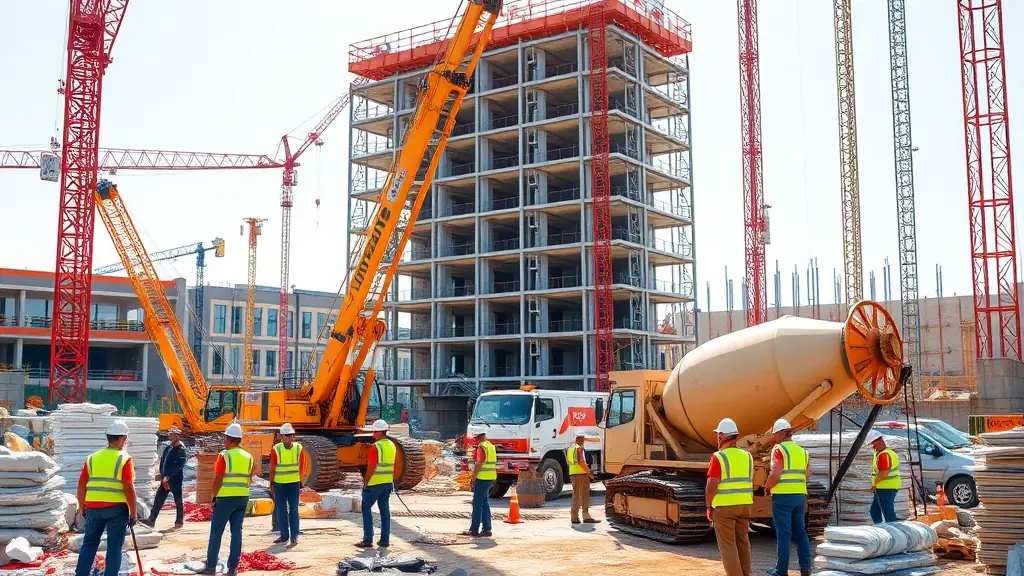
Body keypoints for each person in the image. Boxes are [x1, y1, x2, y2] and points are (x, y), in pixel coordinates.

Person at [75, 420, 137, 576]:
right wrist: (133, 513)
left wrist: (82, 506)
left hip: (93, 509)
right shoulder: (124, 458)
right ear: (122, 438)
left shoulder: (92, 458)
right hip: (117, 509)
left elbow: (82, 485)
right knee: (114, 546)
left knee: (89, 544)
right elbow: (128, 487)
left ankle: (81, 573)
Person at [200, 423, 255, 576]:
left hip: (225, 499)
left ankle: (211, 567)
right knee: (236, 533)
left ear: (229, 439)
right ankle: (232, 568)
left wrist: (214, 496)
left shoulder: (224, 455)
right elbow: (249, 478)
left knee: (216, 532)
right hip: (242, 497)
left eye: (225, 438)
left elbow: (218, 478)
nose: (224, 441)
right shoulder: (249, 457)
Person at [705, 417, 753, 576]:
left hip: (725, 508)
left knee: (728, 546)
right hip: (745, 506)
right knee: (743, 542)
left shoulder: (719, 457)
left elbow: (712, 484)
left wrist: (708, 505)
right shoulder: (748, 457)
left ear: (721, 436)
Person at [764, 418, 812, 576]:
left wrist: (767, 486)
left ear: (781, 433)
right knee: (800, 532)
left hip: (783, 496)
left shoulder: (779, 449)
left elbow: (776, 473)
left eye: (775, 434)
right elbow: (807, 474)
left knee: (783, 534)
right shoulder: (803, 452)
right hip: (800, 496)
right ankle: (805, 568)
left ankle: (781, 570)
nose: (775, 438)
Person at [270, 423, 309, 546]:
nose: (289, 437)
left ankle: (294, 536)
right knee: (280, 511)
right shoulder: (276, 449)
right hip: (280, 484)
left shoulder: (299, 448)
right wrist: (271, 482)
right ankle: (284, 535)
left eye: (291, 435)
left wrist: (301, 480)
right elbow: (272, 467)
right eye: (287, 435)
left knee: (293, 510)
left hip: (293, 484)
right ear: (281, 437)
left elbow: (303, 465)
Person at [358, 419, 395, 548]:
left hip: (374, 483)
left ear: (380, 432)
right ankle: (385, 540)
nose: (373, 434)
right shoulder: (392, 445)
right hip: (387, 483)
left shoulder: (376, 447)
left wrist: (366, 482)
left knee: (366, 508)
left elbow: (372, 466)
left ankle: (368, 539)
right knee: (385, 511)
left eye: (374, 431)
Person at [141, 427, 186, 530]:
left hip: (175, 479)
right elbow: (164, 462)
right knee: (158, 499)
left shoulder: (181, 450)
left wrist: (167, 477)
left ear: (177, 435)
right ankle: (152, 519)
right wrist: (162, 475)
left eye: (172, 434)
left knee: (178, 500)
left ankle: (179, 521)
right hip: (165, 478)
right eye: (169, 434)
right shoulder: (169, 447)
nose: (170, 436)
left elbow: (179, 465)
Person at [464, 426, 496, 537]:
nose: (476, 440)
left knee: (477, 504)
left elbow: (479, 463)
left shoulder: (482, 447)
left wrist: (473, 477)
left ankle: (474, 530)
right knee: (484, 503)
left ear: (480, 436)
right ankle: (487, 529)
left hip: (482, 479)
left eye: (476, 438)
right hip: (490, 478)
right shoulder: (491, 446)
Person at [867, 430, 901, 523]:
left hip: (886, 487)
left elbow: (883, 473)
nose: (872, 447)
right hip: (882, 487)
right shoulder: (880, 453)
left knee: (888, 513)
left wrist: (875, 484)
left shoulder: (884, 455)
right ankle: (880, 528)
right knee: (875, 511)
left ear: (878, 441)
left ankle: (894, 531)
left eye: (872, 444)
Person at [567, 431, 599, 525]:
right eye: (583, 438)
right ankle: (575, 517)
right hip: (580, 473)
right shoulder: (578, 448)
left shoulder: (571, 448)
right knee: (578, 495)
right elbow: (581, 461)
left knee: (584, 495)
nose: (584, 440)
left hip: (577, 473)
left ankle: (585, 516)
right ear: (580, 439)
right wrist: (589, 472)